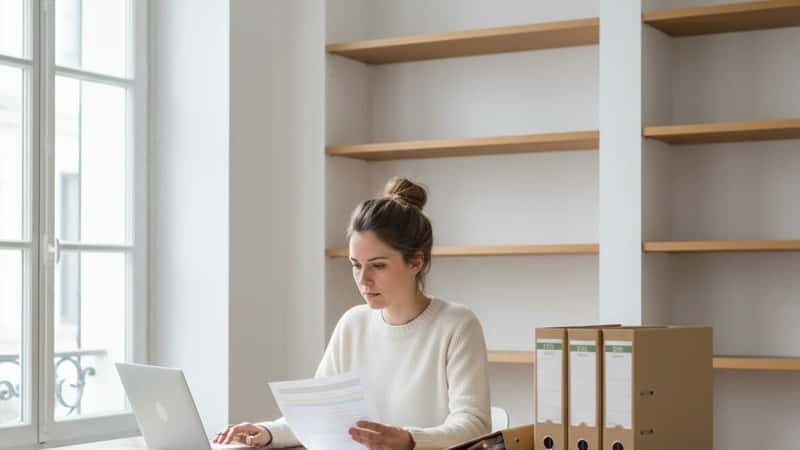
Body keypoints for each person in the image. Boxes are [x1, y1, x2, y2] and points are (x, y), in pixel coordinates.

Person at [215, 177, 491, 449]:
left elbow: (475, 425)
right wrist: (267, 431)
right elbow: (319, 417)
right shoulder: (353, 323)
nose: (363, 279)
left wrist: (409, 440)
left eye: (377, 266)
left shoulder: (456, 325)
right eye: (355, 265)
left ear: (416, 262)